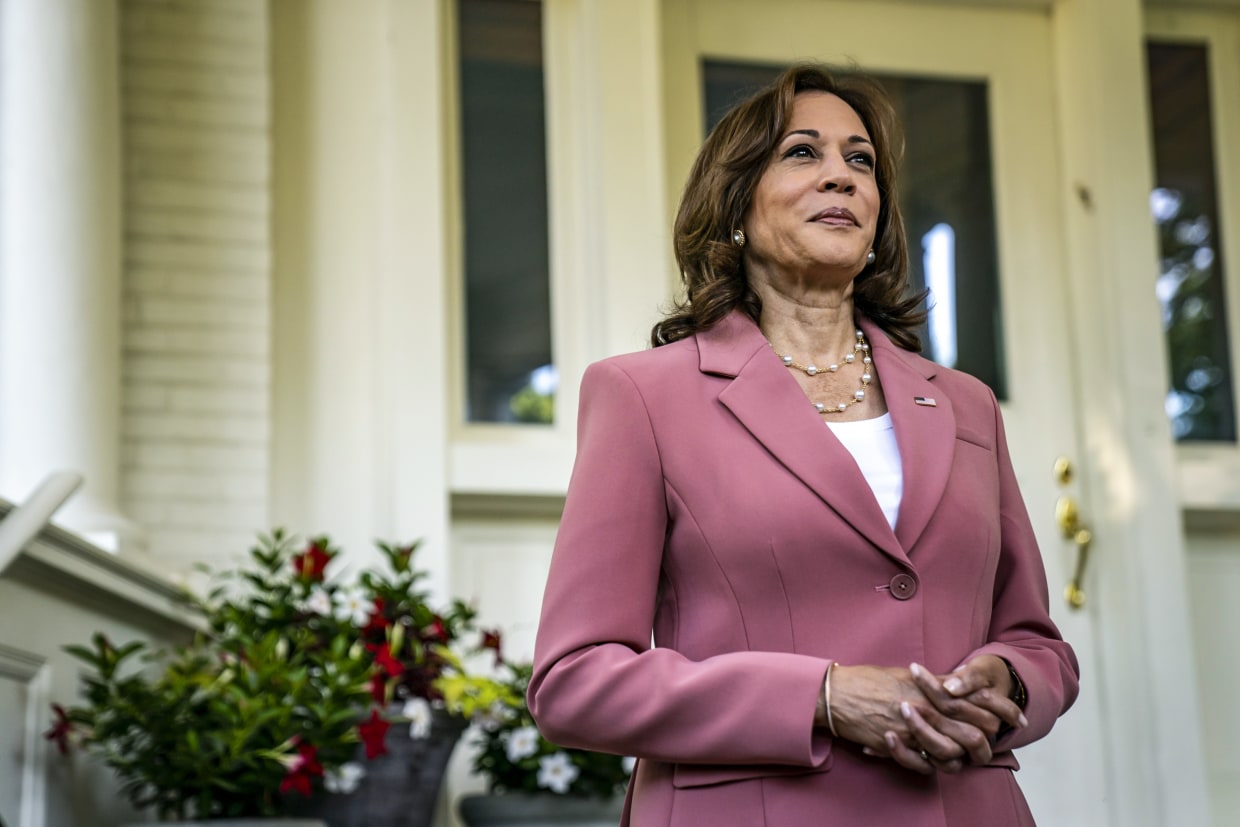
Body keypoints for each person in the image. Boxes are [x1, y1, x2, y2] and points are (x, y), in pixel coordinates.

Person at [527, 63, 1079, 826]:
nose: (841, 177)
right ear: (735, 203)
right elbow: (576, 681)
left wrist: (1007, 681)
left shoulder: (966, 405)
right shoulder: (642, 397)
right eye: (802, 153)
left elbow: (1036, 640)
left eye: (861, 160)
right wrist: (821, 695)